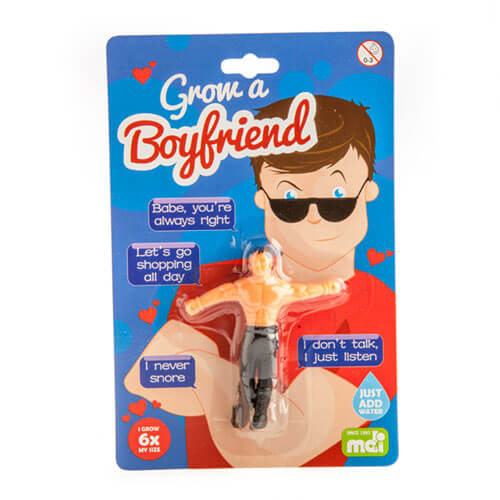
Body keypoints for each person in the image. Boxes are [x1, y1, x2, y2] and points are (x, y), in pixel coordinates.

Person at [125, 95, 396, 467]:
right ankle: (254, 405)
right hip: (201, 482)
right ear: (262, 200)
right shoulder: (212, 277)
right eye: (289, 198)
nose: (313, 216)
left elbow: (272, 448)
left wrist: (204, 371)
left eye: (336, 196)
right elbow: (145, 378)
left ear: (368, 191)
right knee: (259, 378)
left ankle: (253, 405)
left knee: (261, 381)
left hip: (316, 485)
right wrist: (222, 383)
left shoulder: (377, 309)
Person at [184, 250, 345, 430]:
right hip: (251, 334)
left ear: (270, 265)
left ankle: (260, 414)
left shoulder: (280, 288)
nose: (259, 266)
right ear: (250, 265)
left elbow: (304, 291)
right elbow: (220, 293)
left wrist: (327, 288)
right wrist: (198, 304)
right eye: (256, 263)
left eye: (263, 262)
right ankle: (245, 409)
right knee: (246, 376)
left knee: (266, 378)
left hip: (269, 336)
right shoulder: (243, 287)